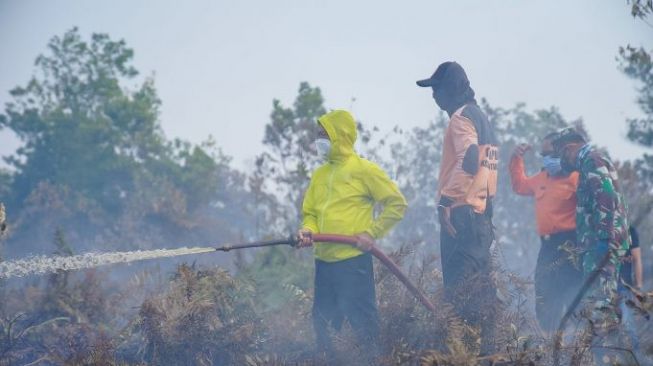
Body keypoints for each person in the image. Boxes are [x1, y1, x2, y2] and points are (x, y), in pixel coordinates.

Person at [296, 110, 407, 362]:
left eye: (323, 134)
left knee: (364, 328)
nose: (318, 139)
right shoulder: (319, 175)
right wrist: (308, 231)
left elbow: (396, 204)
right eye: (317, 134)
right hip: (324, 263)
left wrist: (371, 233)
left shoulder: (364, 170)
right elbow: (311, 213)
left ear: (340, 136)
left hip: (353, 263)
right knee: (324, 327)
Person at [416, 61, 499, 353]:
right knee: (481, 292)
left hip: (461, 217)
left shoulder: (461, 118)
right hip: (480, 217)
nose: (434, 95)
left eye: (437, 88)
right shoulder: (481, 118)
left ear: (450, 89)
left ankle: (462, 355)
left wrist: (446, 201)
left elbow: (470, 155)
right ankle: (490, 354)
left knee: (460, 297)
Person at [552, 127, 631, 363]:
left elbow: (606, 197)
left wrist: (605, 240)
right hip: (597, 246)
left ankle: (607, 358)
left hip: (602, 246)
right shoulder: (591, 160)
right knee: (600, 301)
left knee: (601, 303)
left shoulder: (591, 161)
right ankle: (608, 356)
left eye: (561, 155)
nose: (562, 161)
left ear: (569, 148)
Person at [508, 134, 583, 332]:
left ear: (563, 152)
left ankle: (583, 348)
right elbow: (519, 185)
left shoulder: (576, 178)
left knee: (573, 296)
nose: (547, 159)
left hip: (571, 245)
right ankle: (549, 343)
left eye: (551, 154)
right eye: (544, 155)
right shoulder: (541, 178)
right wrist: (516, 158)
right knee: (544, 293)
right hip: (548, 247)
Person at [618, 226, 643, 352]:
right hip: (604, 287)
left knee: (628, 325)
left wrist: (638, 288)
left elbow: (637, 259)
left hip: (624, 288)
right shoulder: (600, 229)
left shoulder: (630, 230)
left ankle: (637, 357)